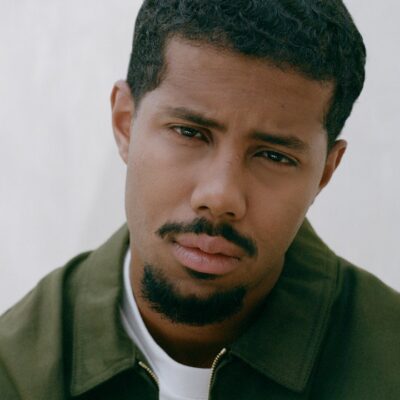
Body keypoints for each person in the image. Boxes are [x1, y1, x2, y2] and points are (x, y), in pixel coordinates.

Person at [1, 0, 399, 399]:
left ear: (325, 172)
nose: (220, 196)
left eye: (274, 156)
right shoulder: (16, 376)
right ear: (125, 124)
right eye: (189, 133)